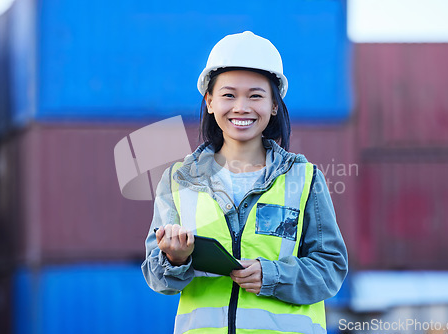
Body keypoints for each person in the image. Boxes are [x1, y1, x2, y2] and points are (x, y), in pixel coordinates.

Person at [141, 31, 348, 334]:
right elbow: (157, 278)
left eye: (255, 95)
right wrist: (175, 258)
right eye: (228, 95)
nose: (241, 107)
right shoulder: (178, 180)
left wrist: (273, 275)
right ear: (209, 101)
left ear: (274, 105)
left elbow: (330, 268)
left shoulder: (304, 178)